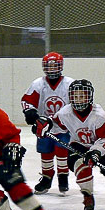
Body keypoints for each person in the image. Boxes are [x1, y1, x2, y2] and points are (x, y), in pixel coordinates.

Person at [32, 79, 105, 210]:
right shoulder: (65, 113)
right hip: (78, 145)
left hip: (103, 147)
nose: (79, 100)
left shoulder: (100, 115)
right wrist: (44, 124)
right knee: (81, 166)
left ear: (89, 97)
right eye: (76, 96)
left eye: (82, 96)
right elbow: (54, 123)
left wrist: (95, 152)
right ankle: (87, 195)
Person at [21, 52, 75, 195]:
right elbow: (27, 101)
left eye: (54, 66)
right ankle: (47, 178)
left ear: (60, 66)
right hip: (43, 126)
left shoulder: (69, 83)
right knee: (46, 152)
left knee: (62, 152)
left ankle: (63, 178)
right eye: (48, 67)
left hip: (64, 127)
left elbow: (76, 102)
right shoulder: (38, 84)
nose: (51, 70)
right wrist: (30, 112)